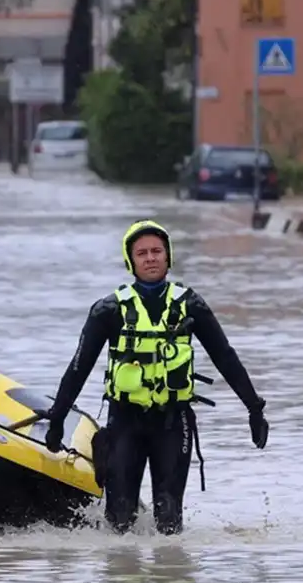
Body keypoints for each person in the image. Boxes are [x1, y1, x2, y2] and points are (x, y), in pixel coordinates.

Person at [43, 219, 270, 535]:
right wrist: (57, 417)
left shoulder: (191, 305)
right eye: (142, 253)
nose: (150, 258)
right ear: (130, 261)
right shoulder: (107, 310)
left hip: (173, 423)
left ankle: (170, 578)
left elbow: (225, 357)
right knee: (119, 519)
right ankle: (122, 579)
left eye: (157, 251)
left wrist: (254, 408)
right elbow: (79, 367)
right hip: (124, 422)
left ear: (168, 256)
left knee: (169, 519)